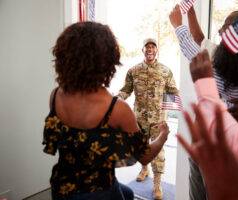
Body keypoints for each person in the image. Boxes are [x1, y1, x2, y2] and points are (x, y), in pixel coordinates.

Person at [43, 22, 170, 200]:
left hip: (61, 186)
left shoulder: (54, 96)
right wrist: (164, 134)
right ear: (107, 59)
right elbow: (145, 156)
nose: (150, 49)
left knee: (128, 193)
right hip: (100, 191)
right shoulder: (116, 109)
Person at [169, 5, 238, 200]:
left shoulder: (228, 62)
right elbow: (199, 42)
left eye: (226, 26)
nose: (220, 30)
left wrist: (178, 25)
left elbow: (195, 55)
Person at [118, 38, 179, 199]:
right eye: (147, 47)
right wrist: (115, 100)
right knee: (141, 147)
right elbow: (126, 90)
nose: (150, 49)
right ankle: (144, 170)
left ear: (156, 50)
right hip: (138, 118)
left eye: (153, 47)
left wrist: (185, 108)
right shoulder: (133, 70)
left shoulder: (165, 71)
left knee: (158, 151)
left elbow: (174, 92)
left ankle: (157, 185)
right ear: (143, 50)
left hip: (158, 120)